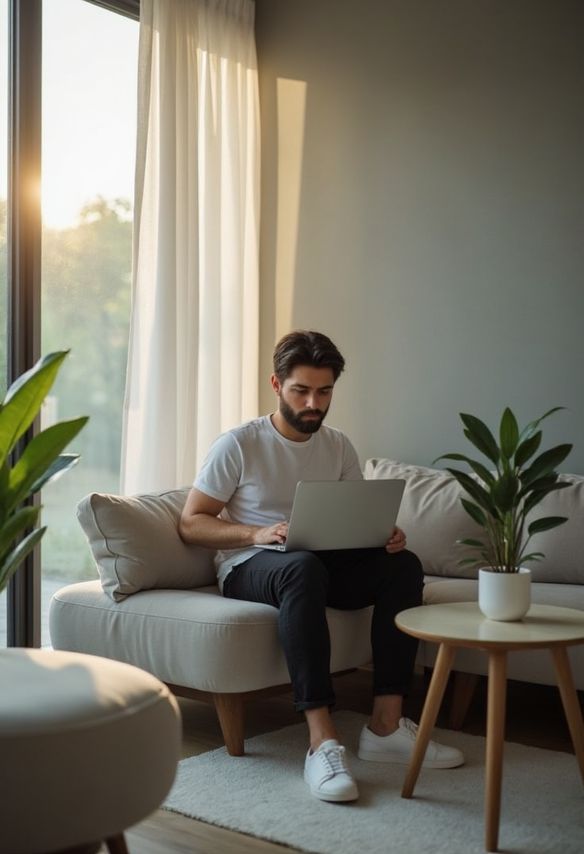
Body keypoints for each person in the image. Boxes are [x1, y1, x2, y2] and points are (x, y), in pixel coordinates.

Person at [179, 330, 464, 802]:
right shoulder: (238, 444)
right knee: (302, 567)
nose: (314, 402)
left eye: (325, 391)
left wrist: (382, 537)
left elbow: (355, 516)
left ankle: (386, 727)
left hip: (319, 563)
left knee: (403, 566)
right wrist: (258, 533)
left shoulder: (337, 445)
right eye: (301, 391)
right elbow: (192, 523)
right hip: (251, 566)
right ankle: (321, 741)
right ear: (276, 384)